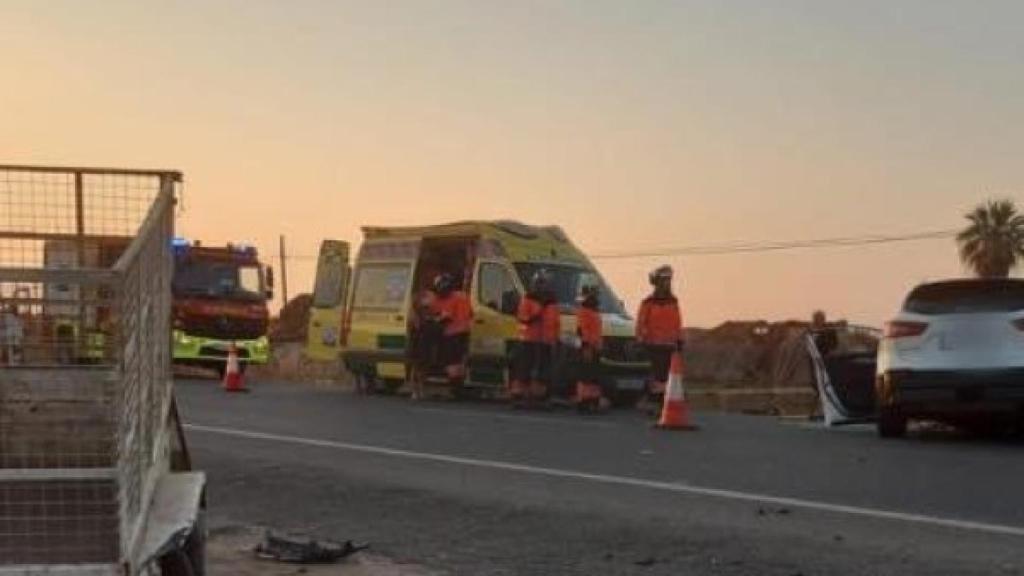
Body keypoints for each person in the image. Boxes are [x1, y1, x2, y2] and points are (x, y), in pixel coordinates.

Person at [636, 265, 684, 413]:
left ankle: (664, 402)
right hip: (653, 346)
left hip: (669, 346)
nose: (667, 283)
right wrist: (641, 339)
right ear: (657, 282)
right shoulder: (648, 303)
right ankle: (653, 401)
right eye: (664, 280)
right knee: (656, 376)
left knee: (667, 376)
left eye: (669, 280)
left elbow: (677, 322)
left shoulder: (673, 302)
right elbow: (641, 323)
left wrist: (679, 340)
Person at [511, 270, 552, 407]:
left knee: (540, 370)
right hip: (527, 340)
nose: (542, 287)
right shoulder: (527, 299)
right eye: (540, 284)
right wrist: (538, 313)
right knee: (524, 369)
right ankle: (519, 395)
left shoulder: (549, 302)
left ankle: (536, 396)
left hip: (542, 341)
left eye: (544, 284)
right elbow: (523, 319)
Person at [430, 273, 473, 390]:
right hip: (465, 332)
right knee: (460, 359)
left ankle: (455, 386)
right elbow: (470, 313)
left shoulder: (445, 299)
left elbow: (444, 317)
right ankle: (459, 384)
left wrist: (436, 318)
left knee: (451, 360)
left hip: (451, 333)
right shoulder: (463, 296)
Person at [575, 284, 606, 413]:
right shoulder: (584, 311)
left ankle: (593, 401)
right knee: (586, 376)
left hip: (595, 347)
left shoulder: (593, 311)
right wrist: (587, 346)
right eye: (594, 294)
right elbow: (583, 331)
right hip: (588, 347)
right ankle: (584, 401)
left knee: (594, 376)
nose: (596, 297)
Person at [406, 289, 439, 400]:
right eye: (425, 307)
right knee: (416, 368)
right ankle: (415, 390)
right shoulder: (414, 317)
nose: (427, 309)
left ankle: (420, 390)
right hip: (417, 344)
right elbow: (416, 329)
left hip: (424, 344)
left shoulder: (426, 316)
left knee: (422, 368)